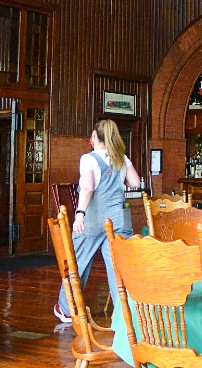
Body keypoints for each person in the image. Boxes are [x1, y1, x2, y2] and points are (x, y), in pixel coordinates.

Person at [56, 119, 140, 324]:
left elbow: (88, 188)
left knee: (78, 262)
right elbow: (136, 183)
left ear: (95, 138)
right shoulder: (122, 157)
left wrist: (79, 214)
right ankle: (124, 313)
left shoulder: (88, 159)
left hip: (93, 218)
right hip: (119, 219)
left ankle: (67, 309)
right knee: (118, 266)